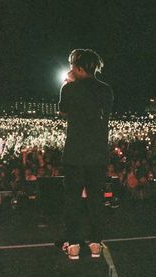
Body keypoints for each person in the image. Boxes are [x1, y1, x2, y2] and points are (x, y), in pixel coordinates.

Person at [57, 49, 114, 259]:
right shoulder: (106, 90)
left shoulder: (70, 88)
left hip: (75, 154)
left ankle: (73, 245)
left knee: (72, 199)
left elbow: (63, 111)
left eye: (73, 65)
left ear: (80, 68)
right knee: (96, 200)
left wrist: (67, 83)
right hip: (98, 154)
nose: (71, 69)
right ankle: (96, 243)